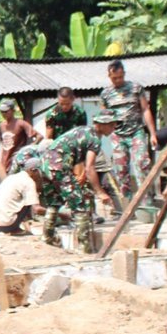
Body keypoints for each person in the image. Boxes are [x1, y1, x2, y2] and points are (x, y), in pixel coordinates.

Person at [40, 108, 121, 253]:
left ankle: (47, 238)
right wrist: (100, 192)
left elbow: (77, 159)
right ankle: (84, 248)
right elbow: (90, 168)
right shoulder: (94, 139)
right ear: (101, 124)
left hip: (45, 164)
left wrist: (80, 177)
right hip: (59, 165)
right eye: (111, 124)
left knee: (54, 202)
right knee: (80, 205)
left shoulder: (83, 131)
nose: (114, 127)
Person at [100, 59, 159, 207]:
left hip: (136, 132)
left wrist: (152, 134)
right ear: (109, 76)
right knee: (121, 170)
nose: (118, 80)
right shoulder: (106, 94)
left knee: (141, 164)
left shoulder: (136, 88)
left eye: (120, 77)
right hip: (118, 135)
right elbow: (103, 117)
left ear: (124, 74)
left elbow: (145, 110)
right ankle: (126, 204)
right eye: (114, 78)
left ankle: (146, 203)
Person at [0, 156, 42, 235]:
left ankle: (13, 228)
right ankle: (14, 229)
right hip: (6, 224)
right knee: (29, 201)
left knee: (20, 201)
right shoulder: (28, 182)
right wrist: (56, 214)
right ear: (33, 170)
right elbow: (37, 209)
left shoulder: (11, 178)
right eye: (39, 173)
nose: (40, 176)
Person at [0, 97, 40, 173]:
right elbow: (3, 144)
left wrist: (28, 149)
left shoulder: (21, 124)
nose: (3, 114)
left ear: (13, 111)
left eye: (6, 111)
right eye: (2, 112)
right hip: (4, 163)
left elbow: (39, 136)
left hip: (17, 162)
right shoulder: (1, 125)